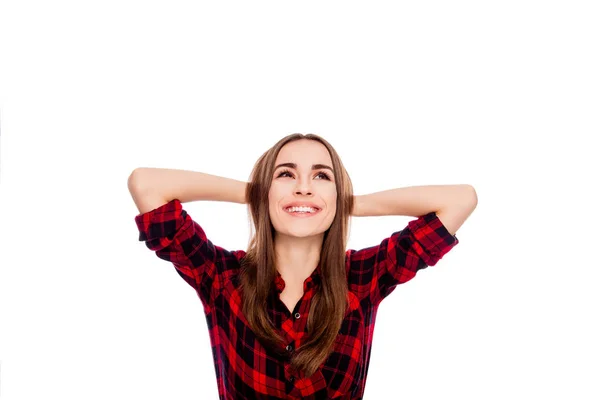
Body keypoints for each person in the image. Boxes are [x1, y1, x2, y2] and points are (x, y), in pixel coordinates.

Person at [128, 133, 477, 399]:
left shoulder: (364, 276)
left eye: (322, 177)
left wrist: (347, 202)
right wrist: (258, 192)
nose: (304, 189)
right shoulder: (221, 275)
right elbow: (146, 184)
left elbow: (460, 200)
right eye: (286, 175)